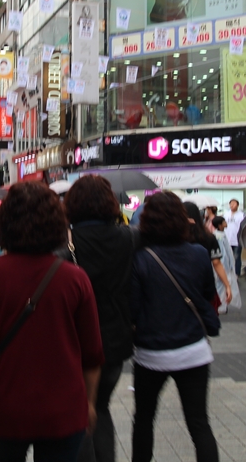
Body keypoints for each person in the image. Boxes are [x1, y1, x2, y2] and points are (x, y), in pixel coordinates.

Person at [0, 182, 104, 461]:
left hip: (3, 409)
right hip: (63, 410)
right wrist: (89, 402)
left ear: (6, 225)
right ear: (56, 224)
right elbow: (92, 354)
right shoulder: (75, 279)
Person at [132, 192, 220, 462]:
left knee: (144, 419)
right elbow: (207, 294)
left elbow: (134, 306)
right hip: (193, 350)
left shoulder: (140, 258)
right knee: (199, 423)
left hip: (150, 352)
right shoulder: (198, 254)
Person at [64, 175, 137, 462]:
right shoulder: (130, 238)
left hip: (75, 342)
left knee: (78, 411)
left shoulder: (64, 242)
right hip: (116, 341)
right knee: (101, 407)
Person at [183, 202, 232, 307]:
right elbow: (217, 263)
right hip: (204, 282)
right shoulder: (208, 237)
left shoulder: (176, 236)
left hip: (181, 283)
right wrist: (227, 285)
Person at [211, 216, 240, 314]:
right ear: (219, 225)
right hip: (223, 266)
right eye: (224, 222)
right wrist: (225, 265)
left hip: (225, 265)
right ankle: (220, 306)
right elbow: (222, 253)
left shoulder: (221, 234)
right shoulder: (218, 236)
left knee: (223, 285)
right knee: (221, 285)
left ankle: (222, 305)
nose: (226, 223)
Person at [225, 200, 245, 276]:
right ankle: (229, 272)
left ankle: (237, 273)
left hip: (237, 239)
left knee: (237, 257)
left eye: (234, 204)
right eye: (231, 204)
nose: (232, 205)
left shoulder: (241, 215)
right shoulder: (226, 214)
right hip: (227, 238)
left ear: (237, 205)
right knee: (228, 256)